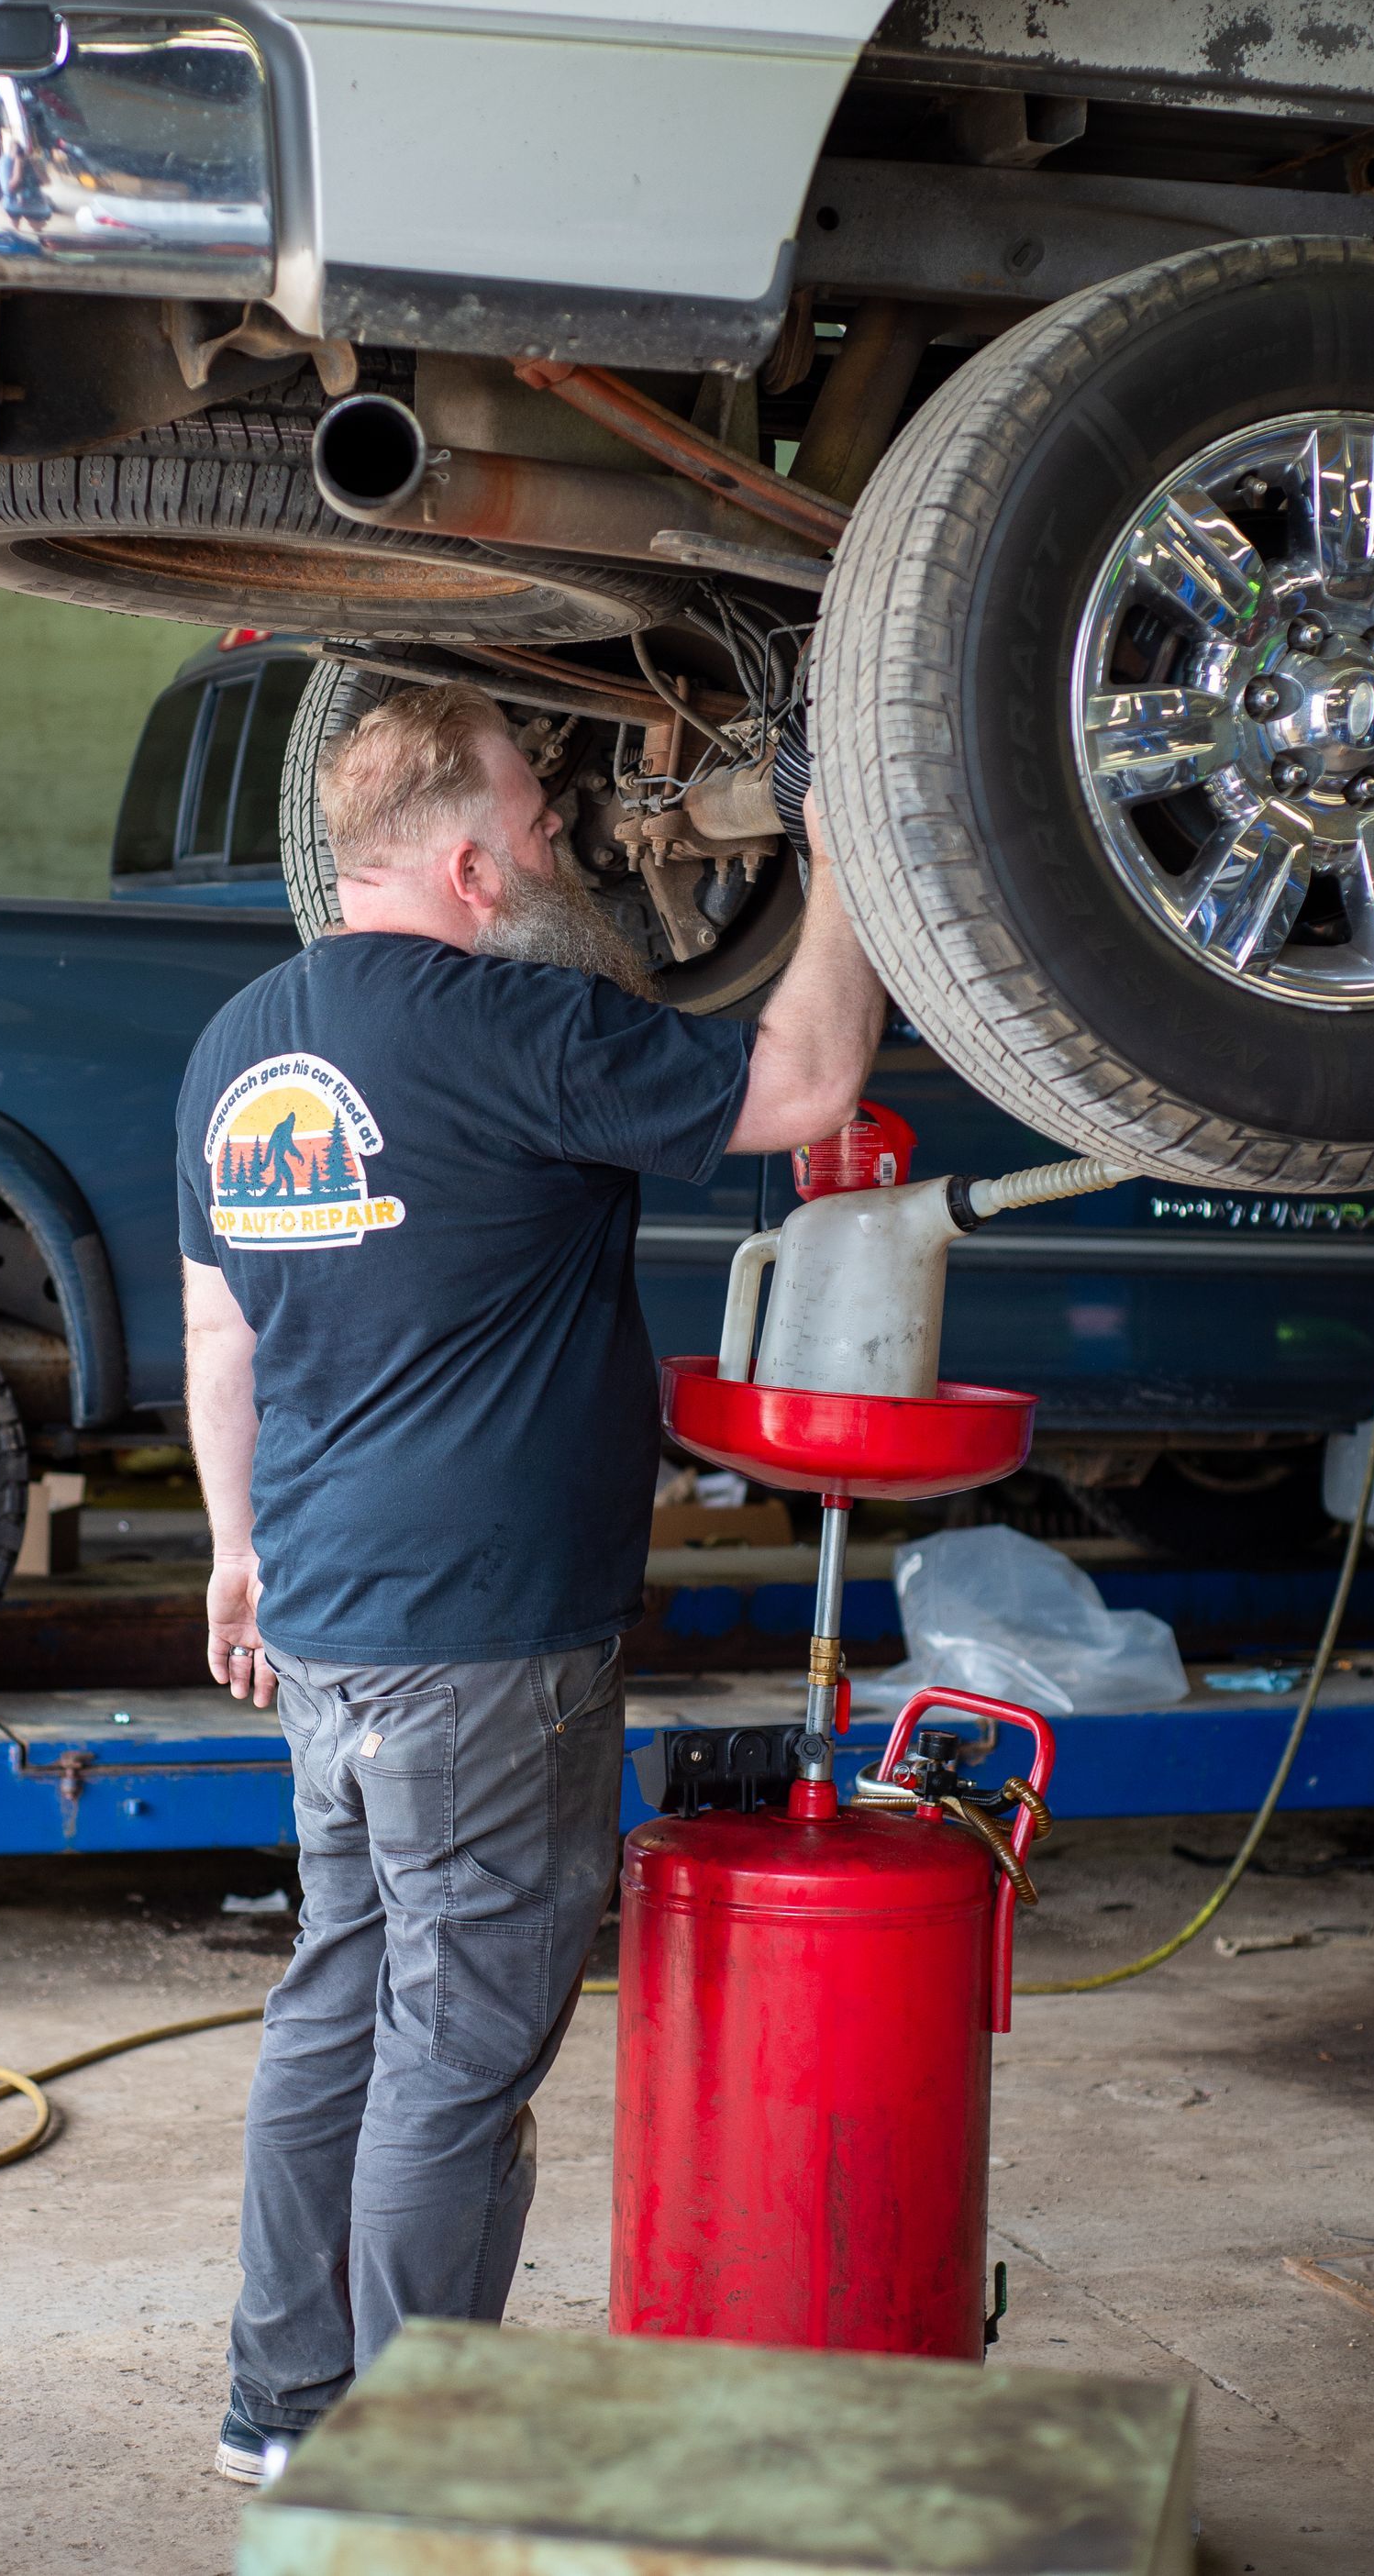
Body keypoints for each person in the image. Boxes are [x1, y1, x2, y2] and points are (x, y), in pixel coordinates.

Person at [177, 683, 883, 2482]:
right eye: (543, 822)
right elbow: (803, 1084)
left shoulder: (241, 1045)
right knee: (461, 2044)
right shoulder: (517, 1025)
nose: (567, 842)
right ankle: (415, 2455)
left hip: (330, 1618)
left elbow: (217, 1329)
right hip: (483, 1638)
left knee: (341, 1997)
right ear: (476, 864)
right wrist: (858, 863)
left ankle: (282, 2408)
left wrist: (236, 1551)